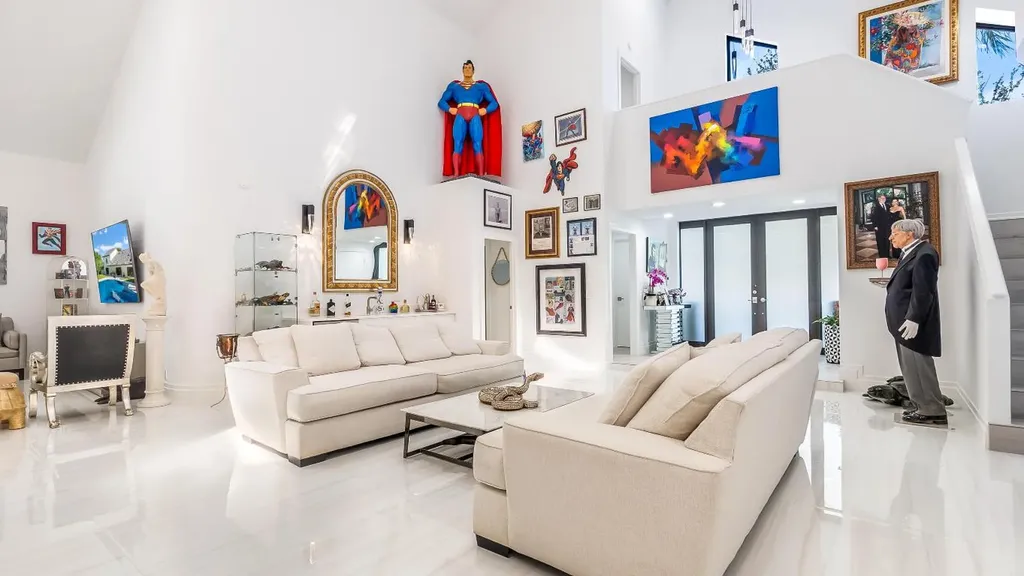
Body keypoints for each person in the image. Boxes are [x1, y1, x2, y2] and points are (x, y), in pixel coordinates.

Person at [885, 219, 945, 425]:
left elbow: (923, 290)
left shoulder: (925, 254)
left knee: (919, 366)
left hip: (912, 322)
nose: (891, 237)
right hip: (902, 322)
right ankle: (920, 405)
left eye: (895, 233)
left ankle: (932, 410)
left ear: (909, 234)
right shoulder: (909, 253)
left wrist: (914, 318)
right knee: (910, 367)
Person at [438, 60, 502, 179]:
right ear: (462, 70)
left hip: (475, 114)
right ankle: (456, 175)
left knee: (478, 144)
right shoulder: (454, 86)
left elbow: (494, 103)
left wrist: (485, 110)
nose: (467, 69)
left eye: (469, 68)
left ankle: (481, 175)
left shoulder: (481, 87)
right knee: (457, 144)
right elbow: (441, 102)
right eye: (465, 67)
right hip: (460, 114)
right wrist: (450, 109)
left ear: (473, 71)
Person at [870, 194, 897, 259]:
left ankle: (887, 255)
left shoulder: (887, 206)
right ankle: (882, 255)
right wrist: (875, 226)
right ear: (879, 199)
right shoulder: (875, 207)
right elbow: (873, 217)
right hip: (879, 227)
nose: (884, 199)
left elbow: (890, 214)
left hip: (887, 227)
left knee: (887, 241)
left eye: (884, 198)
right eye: (882, 198)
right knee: (880, 241)